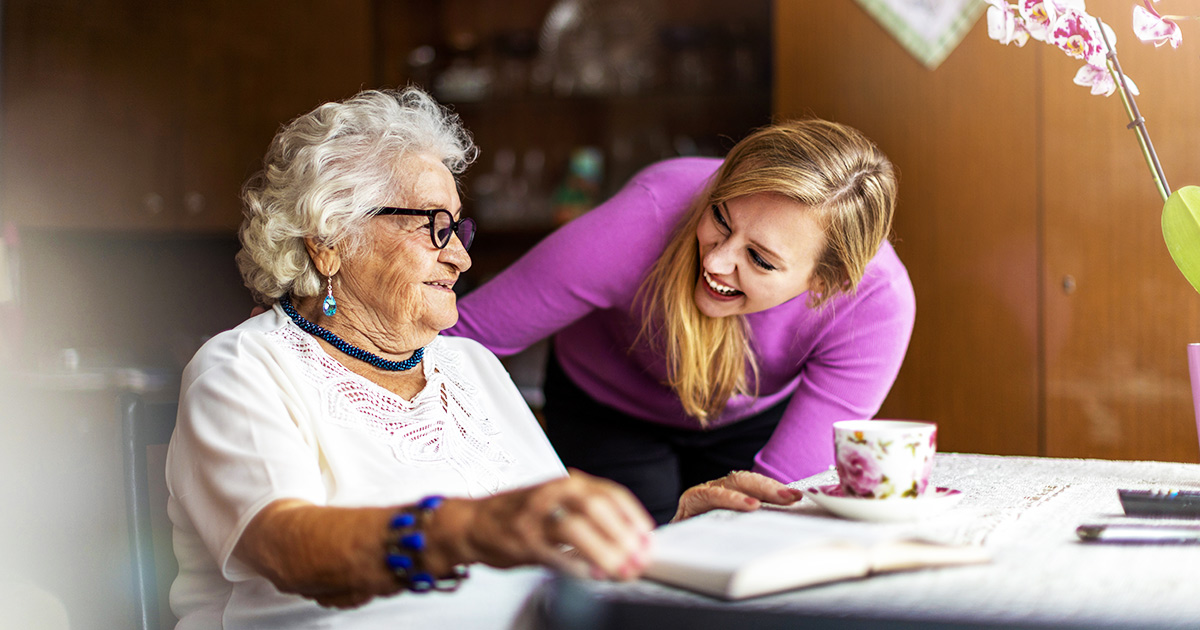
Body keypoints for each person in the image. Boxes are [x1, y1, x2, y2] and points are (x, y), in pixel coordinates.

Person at [165, 86, 801, 630]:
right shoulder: (245, 370)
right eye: (433, 229)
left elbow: (549, 544)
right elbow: (290, 550)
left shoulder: (468, 366)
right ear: (331, 242)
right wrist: (467, 530)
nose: (461, 259)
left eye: (459, 230)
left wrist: (675, 531)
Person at [447, 118, 915, 524]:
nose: (717, 262)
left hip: (751, 418)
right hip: (607, 405)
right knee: (625, 568)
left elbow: (778, 501)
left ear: (826, 282)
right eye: (721, 218)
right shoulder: (646, 216)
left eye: (759, 259)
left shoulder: (876, 305)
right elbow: (457, 336)